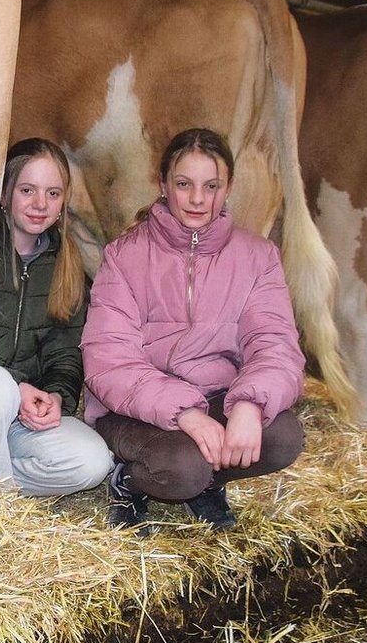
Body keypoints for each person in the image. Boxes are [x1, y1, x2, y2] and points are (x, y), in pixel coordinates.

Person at [81, 128, 306, 533]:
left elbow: (275, 344)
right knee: (183, 468)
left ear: (228, 187)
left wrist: (249, 405)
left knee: (284, 436)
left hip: (216, 398)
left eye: (211, 186)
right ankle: (130, 482)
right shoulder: (124, 255)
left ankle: (207, 483)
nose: (198, 199)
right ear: (163, 185)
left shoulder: (258, 257)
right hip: (134, 409)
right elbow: (108, 358)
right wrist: (185, 413)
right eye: (184, 184)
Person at [0, 138, 113, 497]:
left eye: (53, 193)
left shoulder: (66, 265)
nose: (40, 204)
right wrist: (16, 390)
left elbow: (65, 353)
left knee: (93, 462)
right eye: (27, 190)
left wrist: (55, 396)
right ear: (3, 194)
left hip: (20, 416)